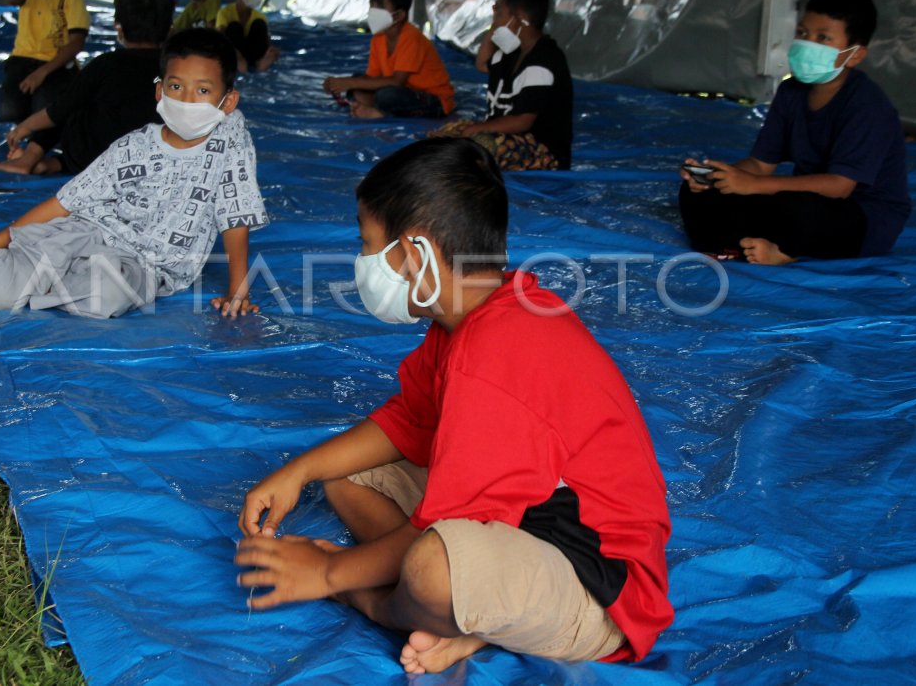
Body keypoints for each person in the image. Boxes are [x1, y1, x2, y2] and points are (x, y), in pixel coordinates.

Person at [236, 138, 673, 674]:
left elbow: (445, 522)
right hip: (521, 527)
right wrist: (299, 471)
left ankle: (387, 604)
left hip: (596, 587)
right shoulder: (468, 319)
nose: (361, 262)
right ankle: (460, 619)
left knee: (432, 566)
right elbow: (411, 420)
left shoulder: (497, 352)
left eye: (368, 244)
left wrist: (330, 575)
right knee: (348, 475)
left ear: (417, 253)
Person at [0, 29, 269, 319]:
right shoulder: (133, 147)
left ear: (227, 103)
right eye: (176, 87)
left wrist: (238, 292)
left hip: (144, 263)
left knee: (105, 296)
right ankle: (1, 271)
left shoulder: (231, 139)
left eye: (203, 91)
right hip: (86, 230)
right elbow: (64, 203)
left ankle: (28, 285)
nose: (187, 100)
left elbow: (234, 213)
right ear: (159, 90)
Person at [678, 0, 911, 265]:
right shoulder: (791, 92)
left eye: (823, 38)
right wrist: (717, 176)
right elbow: (761, 164)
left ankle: (785, 252)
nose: (807, 44)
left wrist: (753, 185)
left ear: (855, 55)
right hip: (801, 197)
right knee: (700, 194)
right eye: (803, 33)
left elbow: (839, 188)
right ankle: (748, 245)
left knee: (801, 209)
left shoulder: (868, 106)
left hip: (860, 216)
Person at [0, 0, 175, 175]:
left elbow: (59, 110)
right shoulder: (177, 68)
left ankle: (30, 159)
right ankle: (52, 164)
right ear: (169, 28)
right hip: (155, 157)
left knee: (71, 104)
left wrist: (24, 127)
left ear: (118, 27)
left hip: (95, 157)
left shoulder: (105, 63)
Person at [429, 0, 573, 170]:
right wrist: (497, 24)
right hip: (507, 135)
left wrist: (478, 128)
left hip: (541, 149)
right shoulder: (512, 51)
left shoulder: (544, 59)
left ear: (519, 16)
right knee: (447, 134)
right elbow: (482, 64)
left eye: (499, 10)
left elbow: (522, 121)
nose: (495, 15)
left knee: (480, 145)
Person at [0, 0, 90, 145]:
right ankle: (20, 138)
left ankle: (37, 142)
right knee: (9, 111)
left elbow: (76, 43)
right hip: (22, 63)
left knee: (45, 109)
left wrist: (43, 72)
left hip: (55, 66)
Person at [323, 0, 455, 119]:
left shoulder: (411, 37)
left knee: (387, 96)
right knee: (358, 85)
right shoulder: (379, 38)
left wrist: (348, 82)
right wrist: (340, 84)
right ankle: (374, 108)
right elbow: (373, 77)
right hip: (401, 91)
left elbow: (397, 81)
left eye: (379, 8)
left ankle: (380, 113)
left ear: (399, 15)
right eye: (372, 7)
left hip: (433, 100)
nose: (373, 13)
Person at [216, 0, 280, 73]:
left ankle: (260, 61)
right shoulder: (225, 13)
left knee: (259, 24)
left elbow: (265, 39)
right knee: (234, 27)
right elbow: (220, 35)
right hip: (234, 50)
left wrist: (270, 51)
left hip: (253, 52)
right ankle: (236, 59)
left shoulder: (260, 16)